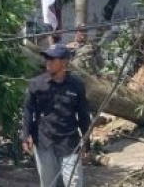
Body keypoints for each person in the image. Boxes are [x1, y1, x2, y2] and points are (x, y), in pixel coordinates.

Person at [22, 43, 92, 187]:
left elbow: (84, 115)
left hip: (69, 142)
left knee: (75, 182)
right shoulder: (36, 84)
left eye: (52, 59)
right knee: (49, 183)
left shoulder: (77, 85)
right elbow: (28, 110)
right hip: (44, 142)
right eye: (47, 58)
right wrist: (25, 136)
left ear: (64, 62)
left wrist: (87, 141)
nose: (48, 62)